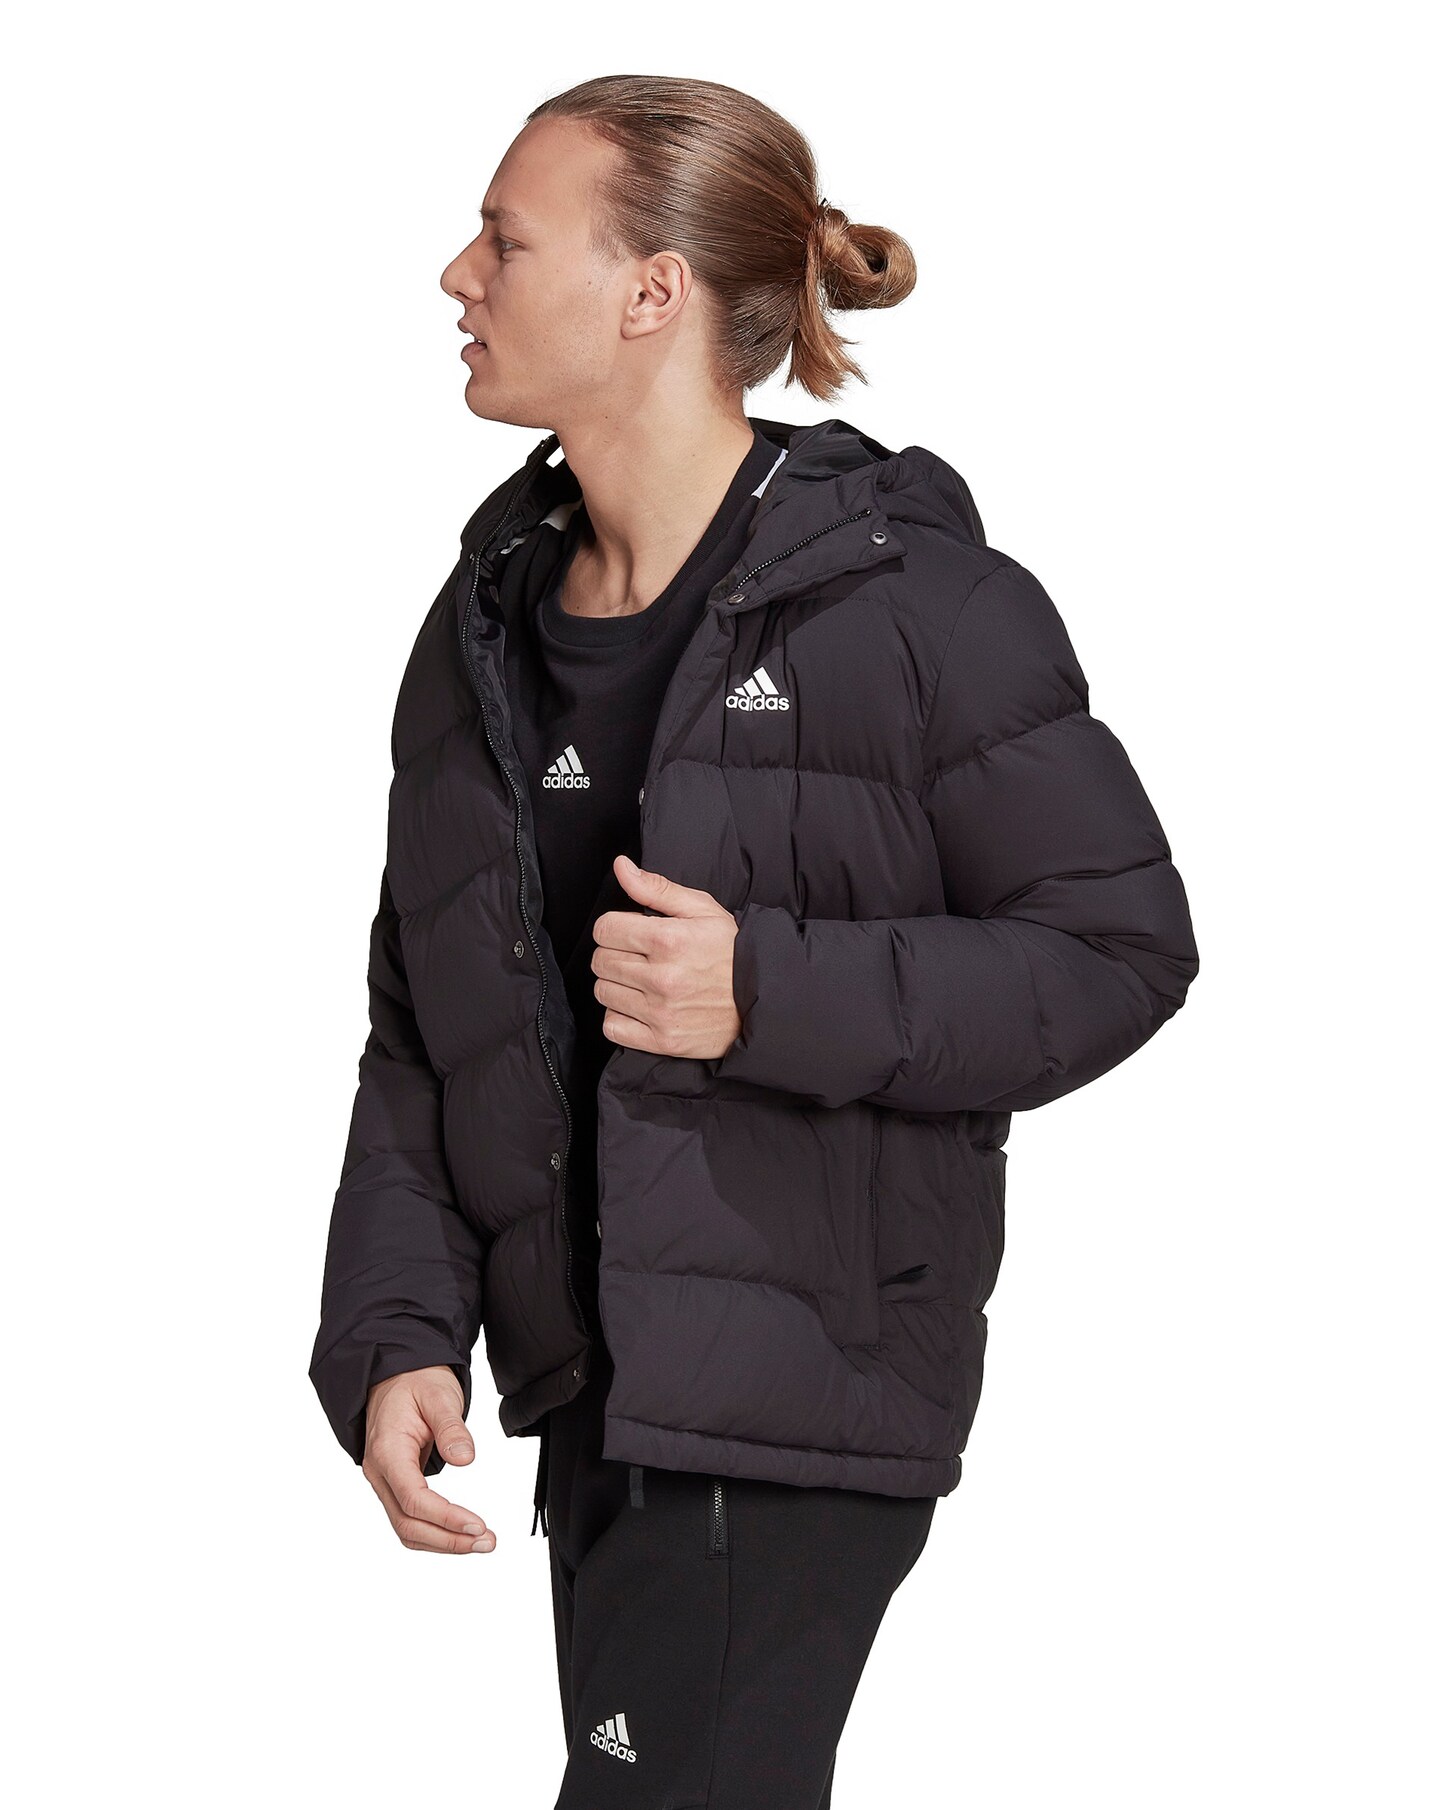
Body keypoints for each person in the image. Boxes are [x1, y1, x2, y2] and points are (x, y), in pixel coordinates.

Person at [309, 74, 1199, 1808]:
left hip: (790, 1401)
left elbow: (1119, 947)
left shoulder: (918, 607)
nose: (457, 276)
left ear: (652, 290)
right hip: (598, 1398)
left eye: (505, 240)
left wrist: (765, 990)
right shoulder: (485, 623)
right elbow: (428, 1029)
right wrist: (400, 1327)